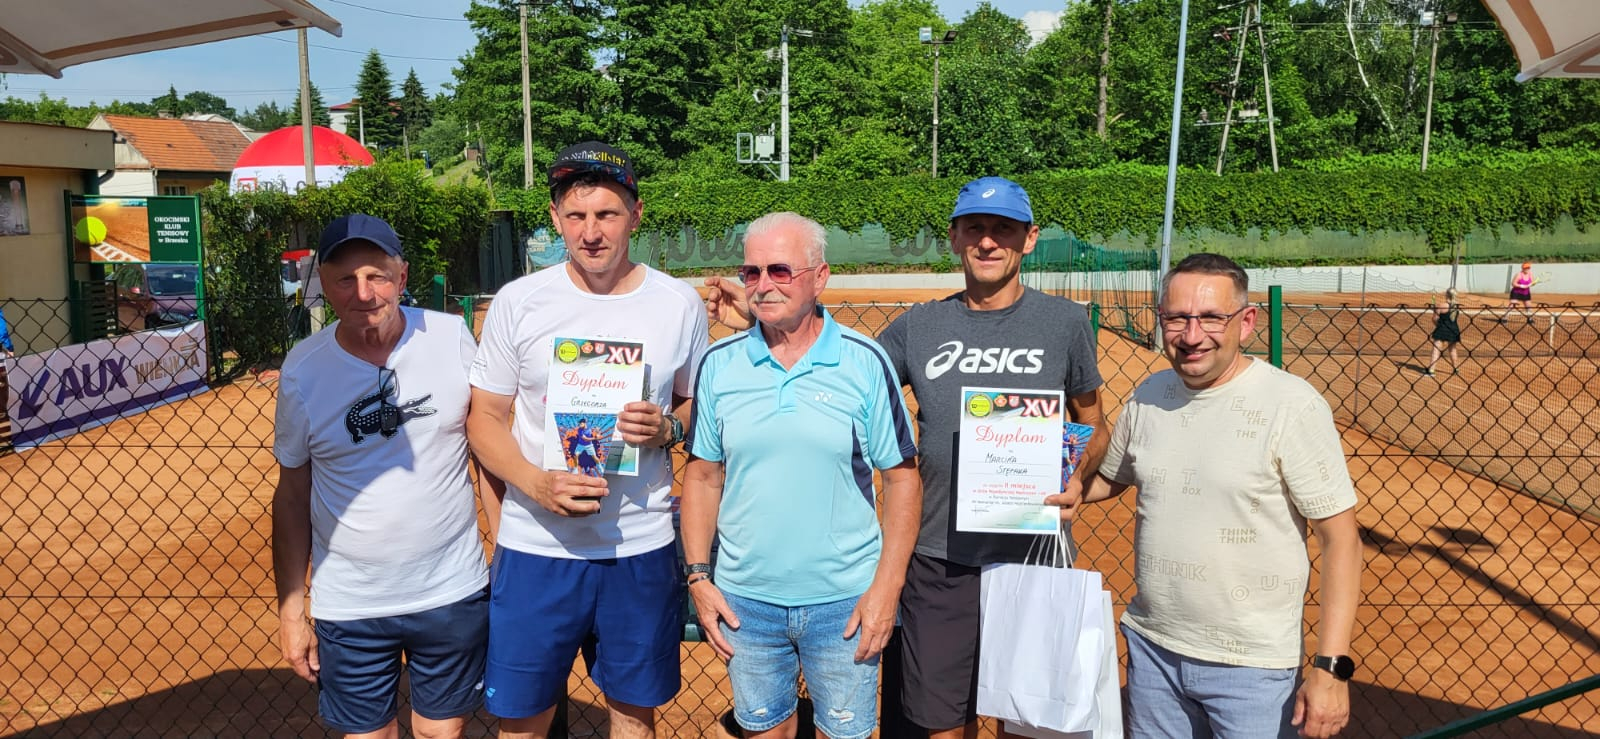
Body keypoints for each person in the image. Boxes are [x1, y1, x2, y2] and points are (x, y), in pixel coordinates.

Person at [706, 177, 1109, 739]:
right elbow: (843, 368)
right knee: (941, 723)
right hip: (938, 558)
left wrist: (1078, 476)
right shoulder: (919, 327)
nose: (987, 241)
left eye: (1003, 229)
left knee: (1028, 721)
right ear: (955, 238)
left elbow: (1093, 423)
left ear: (1030, 238)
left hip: (1031, 554)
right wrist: (760, 318)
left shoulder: (1063, 323)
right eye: (974, 228)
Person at [466, 141, 710, 739]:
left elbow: (694, 404)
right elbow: (484, 417)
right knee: (522, 719)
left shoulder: (678, 303)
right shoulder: (519, 302)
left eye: (606, 214)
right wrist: (536, 484)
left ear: (636, 214)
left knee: (633, 715)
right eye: (575, 216)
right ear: (555, 218)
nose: (591, 232)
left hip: (639, 546)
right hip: (537, 547)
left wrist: (668, 428)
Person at [1075, 253, 1362, 739]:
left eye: (1211, 317)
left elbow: (1341, 541)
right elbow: (1109, 479)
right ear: (1160, 319)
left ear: (1246, 322)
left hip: (1252, 670)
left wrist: (1331, 668)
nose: (1192, 335)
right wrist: (1036, 479)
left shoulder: (1292, 405)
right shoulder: (1150, 394)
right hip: (1153, 652)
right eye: (1177, 318)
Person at [681, 212, 922, 739]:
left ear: (820, 276)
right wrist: (698, 577)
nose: (763, 285)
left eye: (780, 270)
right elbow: (701, 478)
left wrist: (887, 587)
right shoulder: (719, 363)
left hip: (845, 601)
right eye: (751, 272)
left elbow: (903, 479)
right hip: (745, 603)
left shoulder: (865, 362)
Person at [272, 213, 496, 739]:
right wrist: (291, 611)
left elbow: (487, 455)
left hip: (451, 589)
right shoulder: (303, 369)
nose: (363, 293)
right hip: (350, 601)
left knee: (442, 732)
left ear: (402, 275)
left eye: (377, 275)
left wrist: (508, 557)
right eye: (345, 279)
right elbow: (292, 496)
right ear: (323, 284)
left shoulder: (451, 338)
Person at [1425, 288, 1462, 377]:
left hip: (1442, 329)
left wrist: (1438, 323)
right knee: (1452, 350)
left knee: (1436, 349)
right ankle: (1455, 369)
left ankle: (1431, 370)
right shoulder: (1456, 307)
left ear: (1447, 295)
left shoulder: (1441, 305)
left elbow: (1434, 319)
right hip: (1454, 330)